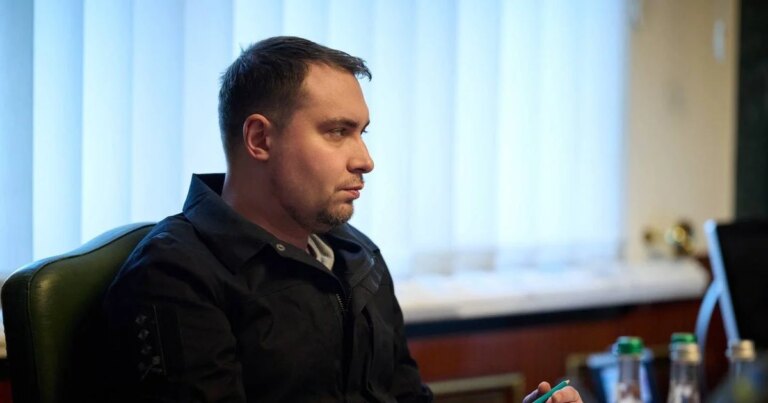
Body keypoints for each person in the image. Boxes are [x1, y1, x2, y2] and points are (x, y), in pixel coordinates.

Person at [103, 36, 582, 403]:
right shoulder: (175, 274)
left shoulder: (356, 254)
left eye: (362, 133)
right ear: (260, 140)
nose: (365, 160)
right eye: (337, 132)